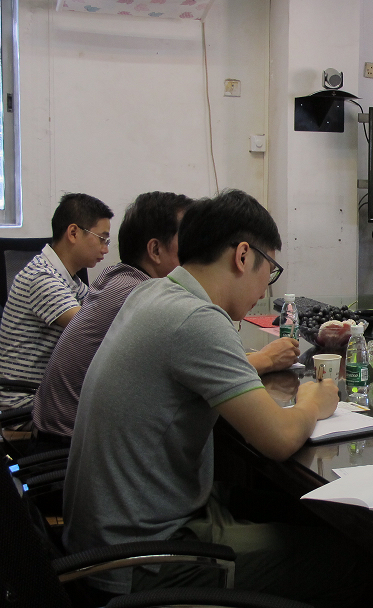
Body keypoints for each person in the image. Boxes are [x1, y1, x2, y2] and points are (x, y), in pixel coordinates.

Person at [63, 190, 353, 606]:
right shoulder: (197, 319)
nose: (265, 287)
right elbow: (279, 438)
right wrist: (315, 399)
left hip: (111, 534)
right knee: (353, 561)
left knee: (312, 515)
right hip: (142, 558)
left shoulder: (153, 293)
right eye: (270, 270)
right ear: (242, 256)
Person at [29, 192, 299, 451]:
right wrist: (296, 384)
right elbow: (279, 436)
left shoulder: (127, 282)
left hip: (74, 438)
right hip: (64, 443)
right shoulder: (154, 299)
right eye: (188, 238)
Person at [0, 193, 113, 413]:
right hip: (25, 406)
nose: (106, 249)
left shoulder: (70, 280)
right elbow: (92, 328)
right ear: (73, 233)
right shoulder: (41, 277)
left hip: (44, 396)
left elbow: (100, 311)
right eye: (102, 239)